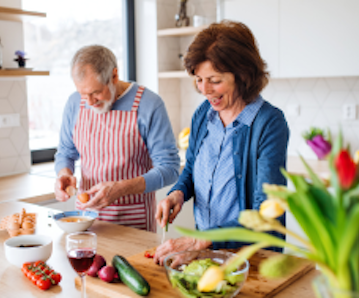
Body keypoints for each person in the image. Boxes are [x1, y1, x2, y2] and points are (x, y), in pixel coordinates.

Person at [154, 21, 289, 263]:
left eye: (214, 80)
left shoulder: (269, 123)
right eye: (198, 79)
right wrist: (177, 193)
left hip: (253, 259)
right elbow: (193, 170)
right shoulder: (203, 114)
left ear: (243, 75)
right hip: (207, 255)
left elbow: (266, 213)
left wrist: (201, 241)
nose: (205, 90)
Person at [55, 45, 180, 232]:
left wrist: (122, 188)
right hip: (86, 222)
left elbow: (170, 168)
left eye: (96, 92)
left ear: (114, 76)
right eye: (83, 94)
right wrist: (64, 174)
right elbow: (65, 152)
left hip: (133, 224)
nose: (89, 102)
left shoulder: (149, 104)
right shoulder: (74, 103)